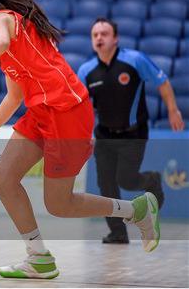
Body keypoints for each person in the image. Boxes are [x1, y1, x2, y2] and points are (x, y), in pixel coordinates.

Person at [0, 0, 160, 279]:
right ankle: (39, 257)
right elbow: (14, 98)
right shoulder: (9, 40)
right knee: (2, 177)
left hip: (67, 112)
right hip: (41, 111)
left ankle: (136, 210)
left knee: (59, 204)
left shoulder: (1, 21)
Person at [78, 17, 185, 244]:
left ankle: (152, 180)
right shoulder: (86, 71)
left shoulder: (134, 60)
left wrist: (173, 110)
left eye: (104, 34)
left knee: (126, 180)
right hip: (104, 134)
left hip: (134, 133)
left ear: (115, 38)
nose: (99, 38)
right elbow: (81, 106)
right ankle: (118, 232)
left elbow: (162, 82)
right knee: (106, 185)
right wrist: (85, 134)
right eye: (95, 35)